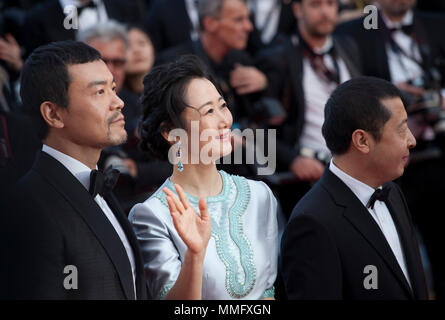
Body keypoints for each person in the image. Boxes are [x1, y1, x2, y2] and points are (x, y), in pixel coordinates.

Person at [0, 40, 148, 299]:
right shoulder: (28, 207)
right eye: (99, 92)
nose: (118, 102)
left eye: (113, 88)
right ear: (54, 114)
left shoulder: (100, 187)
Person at [129, 55, 278, 300]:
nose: (224, 121)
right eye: (209, 111)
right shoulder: (153, 215)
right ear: (169, 131)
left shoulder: (259, 195)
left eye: (223, 105)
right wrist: (195, 256)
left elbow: (268, 293)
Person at [280, 76, 428, 299]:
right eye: (401, 129)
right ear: (362, 141)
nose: (412, 140)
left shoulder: (392, 192)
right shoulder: (312, 223)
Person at [336, 0, 445, 298]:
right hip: (386, 162)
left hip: (438, 154)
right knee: (391, 251)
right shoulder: (353, 31)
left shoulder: (436, 23)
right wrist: (391, 96)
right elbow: (352, 92)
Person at [257, 0, 363, 217]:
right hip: (306, 181)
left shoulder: (348, 47)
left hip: (357, 171)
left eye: (331, 4)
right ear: (297, 9)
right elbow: (256, 130)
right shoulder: (277, 58)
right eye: (315, 5)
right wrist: (293, 159)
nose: (325, 12)